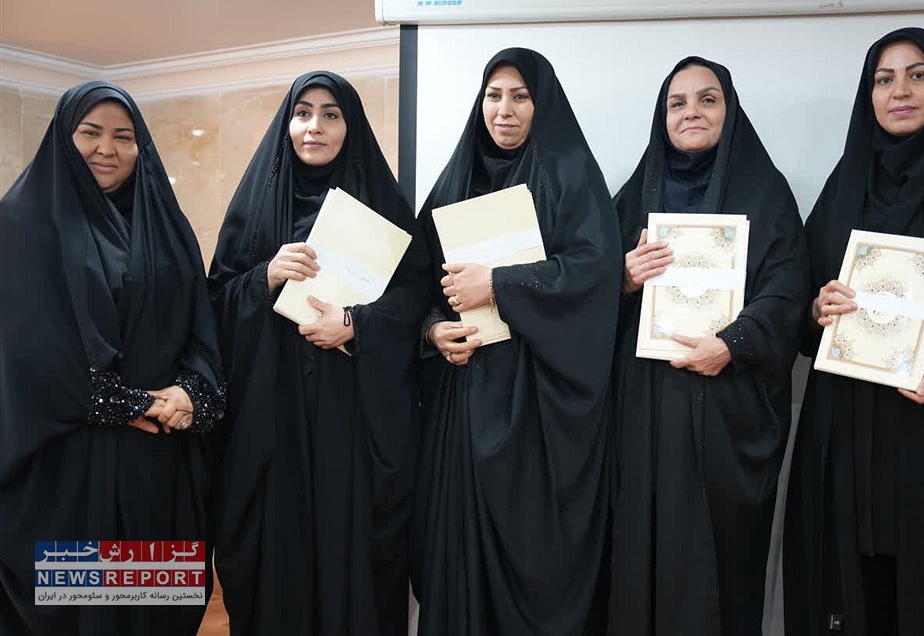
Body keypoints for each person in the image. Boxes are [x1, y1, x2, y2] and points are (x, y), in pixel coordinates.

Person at [784, 27, 924, 635]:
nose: (899, 91)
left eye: (917, 75)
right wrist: (816, 307)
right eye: (884, 80)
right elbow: (801, 292)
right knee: (855, 589)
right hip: (850, 430)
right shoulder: (847, 184)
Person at [208, 71, 430, 636]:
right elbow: (213, 305)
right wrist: (263, 277)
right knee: (273, 554)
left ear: (350, 127)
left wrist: (356, 324)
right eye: (303, 113)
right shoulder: (254, 208)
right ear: (287, 124)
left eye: (331, 114)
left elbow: (416, 300)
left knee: (351, 552)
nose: (315, 126)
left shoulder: (382, 206)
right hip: (272, 419)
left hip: (352, 419)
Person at [0, 80, 225, 635]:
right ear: (64, 136)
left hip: (158, 464)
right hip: (69, 465)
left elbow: (200, 323)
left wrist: (191, 392)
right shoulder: (21, 223)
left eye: (124, 136)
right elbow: (25, 348)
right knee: (81, 609)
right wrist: (126, 403)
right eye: (90, 132)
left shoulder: (167, 227)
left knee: (153, 606)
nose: (108, 148)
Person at [411, 47, 621, 636]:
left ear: (541, 103)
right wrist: (433, 330)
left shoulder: (571, 174)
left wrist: (499, 284)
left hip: (539, 410)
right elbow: (414, 286)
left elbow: (595, 274)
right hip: (465, 398)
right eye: (493, 95)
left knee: (540, 554)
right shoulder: (457, 180)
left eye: (520, 96)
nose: (504, 110)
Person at [606, 57, 808, 636]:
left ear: (730, 110)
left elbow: (787, 289)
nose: (691, 112)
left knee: (721, 564)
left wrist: (732, 344)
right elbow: (589, 289)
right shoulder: (634, 196)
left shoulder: (765, 193)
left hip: (726, 410)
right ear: (662, 116)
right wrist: (622, 278)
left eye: (707, 99)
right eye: (677, 103)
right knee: (643, 552)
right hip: (646, 413)